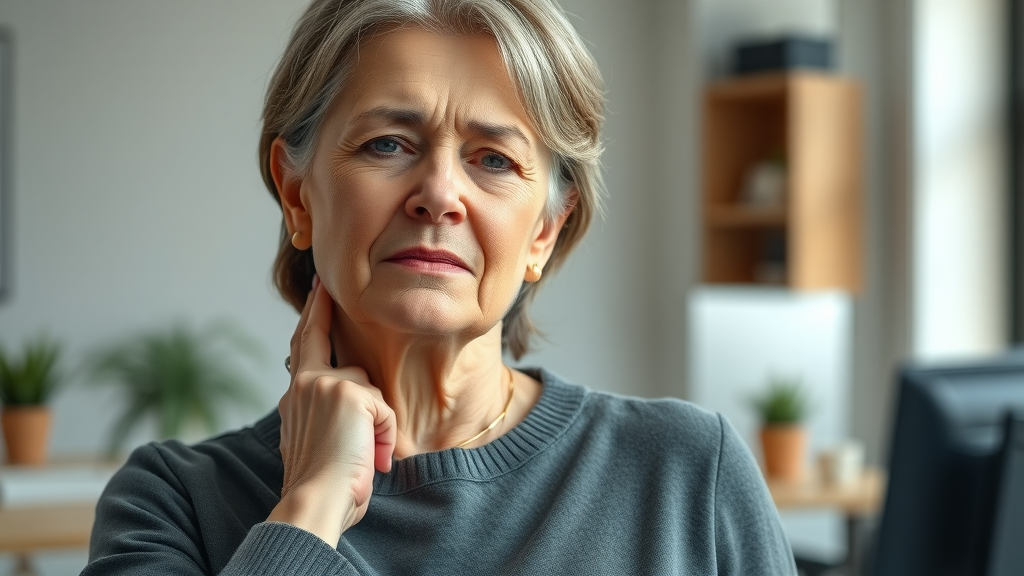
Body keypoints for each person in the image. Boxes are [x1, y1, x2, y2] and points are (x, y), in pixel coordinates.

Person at [82, 0, 797, 574]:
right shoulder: (173, 503)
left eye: (492, 159)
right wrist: (310, 506)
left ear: (545, 230)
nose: (439, 195)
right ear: (297, 194)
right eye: (388, 144)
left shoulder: (686, 474)